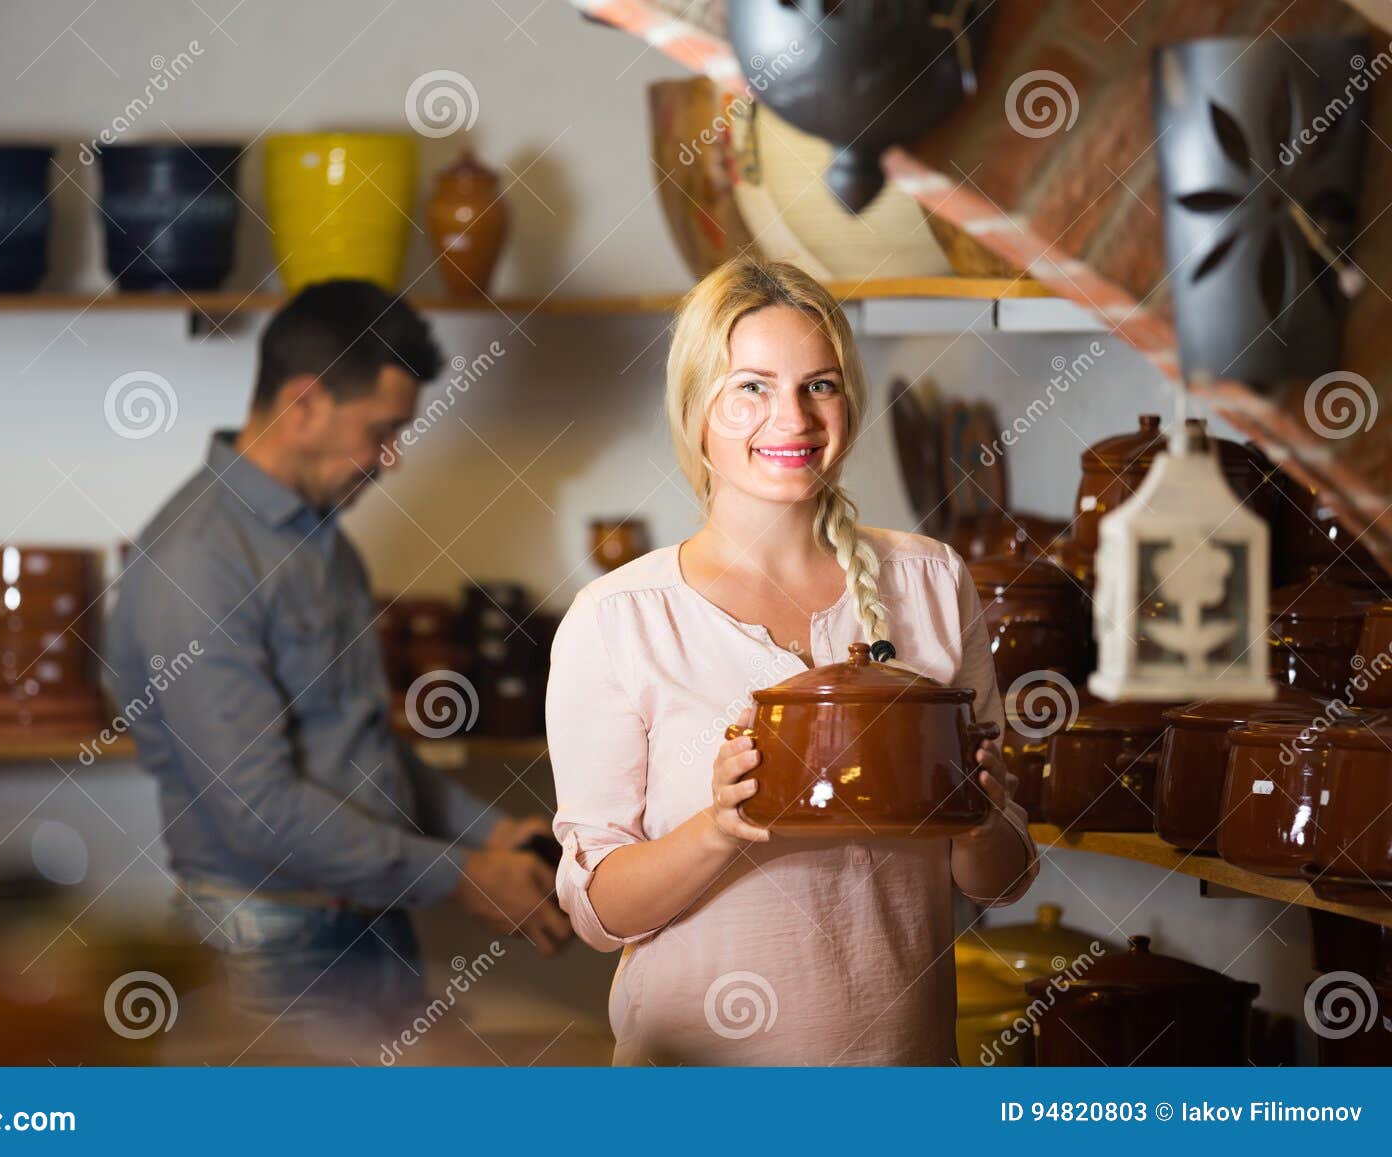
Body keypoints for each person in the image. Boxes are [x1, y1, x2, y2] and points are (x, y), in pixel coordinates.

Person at [544, 258, 1038, 1066]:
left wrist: (980, 817)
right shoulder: (620, 618)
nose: (795, 419)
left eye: (821, 385)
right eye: (752, 387)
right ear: (696, 408)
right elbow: (599, 912)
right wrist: (720, 830)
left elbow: (1003, 876)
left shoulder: (931, 581)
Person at [108, 280, 570, 1046]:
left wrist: (493, 836)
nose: (390, 460)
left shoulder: (325, 545)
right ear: (303, 406)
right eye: (382, 431)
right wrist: (463, 874)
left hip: (371, 927)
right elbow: (259, 809)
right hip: (269, 951)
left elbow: (363, 746)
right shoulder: (198, 561)